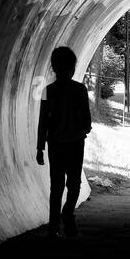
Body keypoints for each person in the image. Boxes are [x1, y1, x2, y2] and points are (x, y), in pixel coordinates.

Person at [36, 46, 92, 237]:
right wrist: (84, 129)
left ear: (54, 67)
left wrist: (39, 147)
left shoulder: (47, 91)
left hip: (55, 144)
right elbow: (86, 119)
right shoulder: (80, 90)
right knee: (74, 183)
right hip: (75, 143)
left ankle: (53, 225)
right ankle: (68, 214)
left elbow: (43, 121)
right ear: (73, 67)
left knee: (56, 185)